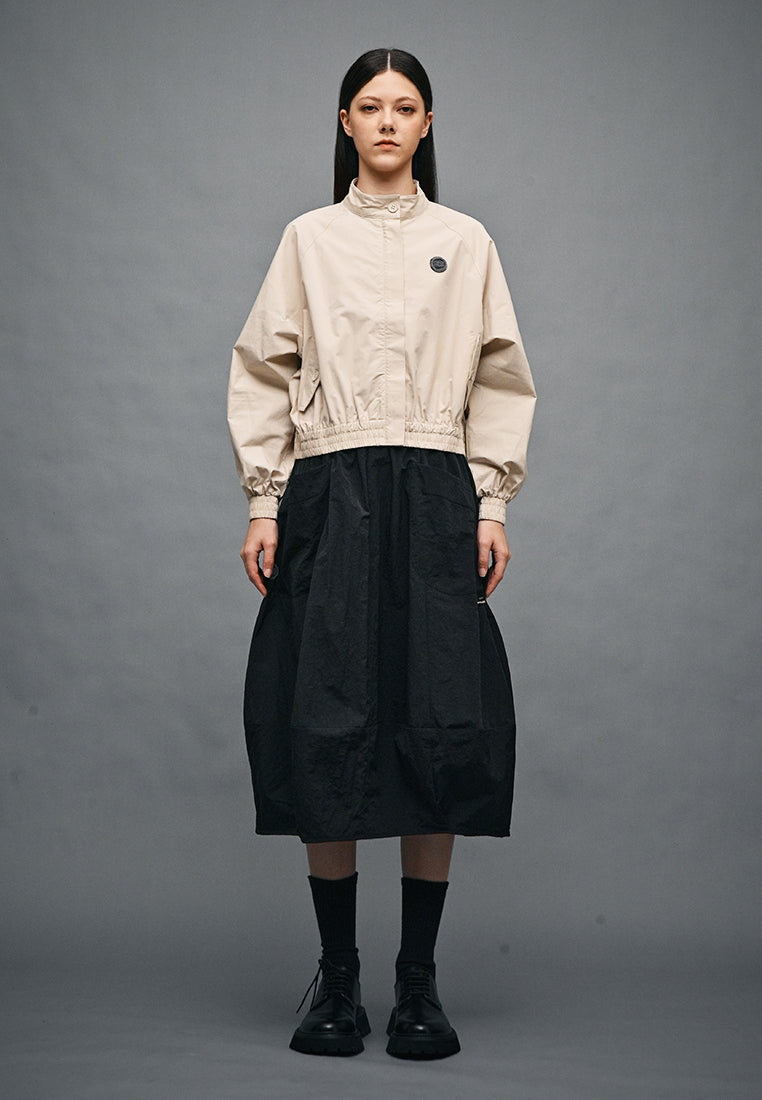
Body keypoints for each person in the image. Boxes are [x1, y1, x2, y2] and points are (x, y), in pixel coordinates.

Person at [227, 47, 536, 1060]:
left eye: (406, 106)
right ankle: (337, 981)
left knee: (436, 717)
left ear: (428, 124)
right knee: (326, 713)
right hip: (331, 489)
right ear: (346, 123)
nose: (389, 121)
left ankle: (418, 984)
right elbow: (263, 367)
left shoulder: (465, 240)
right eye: (371, 105)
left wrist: (490, 503)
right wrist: (266, 498)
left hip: (437, 491)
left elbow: (500, 376)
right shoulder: (308, 240)